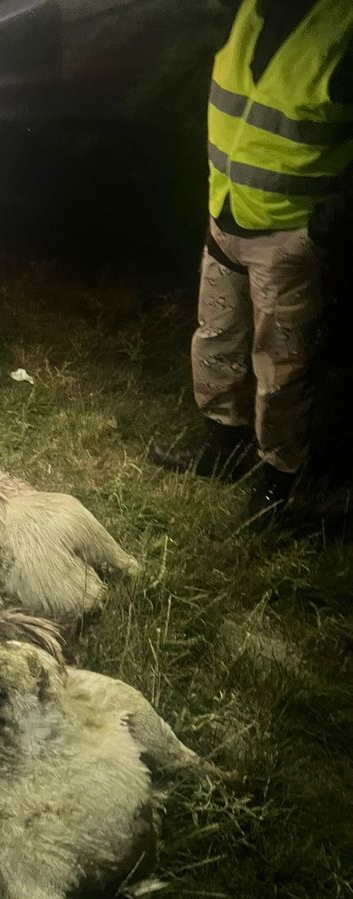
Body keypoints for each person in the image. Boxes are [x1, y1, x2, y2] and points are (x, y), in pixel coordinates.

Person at [151, 0, 353, 526]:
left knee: (281, 367)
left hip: (287, 236)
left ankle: (277, 484)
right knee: (216, 337)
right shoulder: (245, 12)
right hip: (227, 214)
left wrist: (325, 226)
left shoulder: (340, 28)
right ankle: (221, 444)